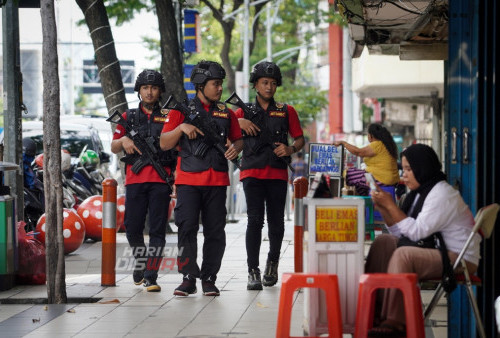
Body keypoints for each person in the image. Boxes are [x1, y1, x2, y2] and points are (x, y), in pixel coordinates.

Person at [365, 144, 481, 336]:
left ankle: (395, 324)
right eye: (404, 170)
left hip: (461, 258)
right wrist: (385, 209)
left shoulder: (441, 194)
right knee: (384, 243)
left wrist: (391, 206)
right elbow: (399, 233)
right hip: (437, 249)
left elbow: (416, 233)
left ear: (423, 167)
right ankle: (375, 311)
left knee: (404, 255)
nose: (405, 176)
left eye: (409, 170)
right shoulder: (418, 194)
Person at [159, 60, 243, 297]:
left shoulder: (226, 113)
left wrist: (236, 148)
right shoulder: (180, 110)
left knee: (216, 232)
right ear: (200, 85)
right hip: (188, 181)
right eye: (215, 84)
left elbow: (238, 139)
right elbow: (165, 143)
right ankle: (188, 277)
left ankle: (209, 277)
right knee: (186, 228)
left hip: (217, 182)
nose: (219, 89)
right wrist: (181, 128)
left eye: (220, 84)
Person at [234, 61, 305, 290]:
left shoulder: (286, 110)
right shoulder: (241, 111)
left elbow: (299, 139)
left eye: (273, 83)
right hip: (251, 171)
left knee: (276, 222)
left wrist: (290, 149)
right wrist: (239, 122)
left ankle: (272, 263)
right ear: (255, 85)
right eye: (265, 82)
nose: (269, 87)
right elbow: (225, 131)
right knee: (255, 221)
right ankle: (252, 271)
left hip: (277, 173)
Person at [110, 69, 177, 292]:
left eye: (154, 88)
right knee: (132, 227)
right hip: (135, 180)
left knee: (157, 229)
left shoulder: (169, 115)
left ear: (160, 91)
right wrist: (125, 139)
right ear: (139, 90)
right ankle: (141, 262)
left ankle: (151, 276)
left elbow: (177, 149)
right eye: (145, 88)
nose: (149, 92)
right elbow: (113, 146)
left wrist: (175, 177)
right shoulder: (128, 116)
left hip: (160, 180)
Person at [334, 123, 399, 196]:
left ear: (370, 135)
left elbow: (359, 152)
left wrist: (344, 143)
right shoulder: (386, 145)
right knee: (359, 181)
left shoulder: (377, 144)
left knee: (349, 174)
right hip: (390, 180)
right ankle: (365, 201)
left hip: (381, 179)